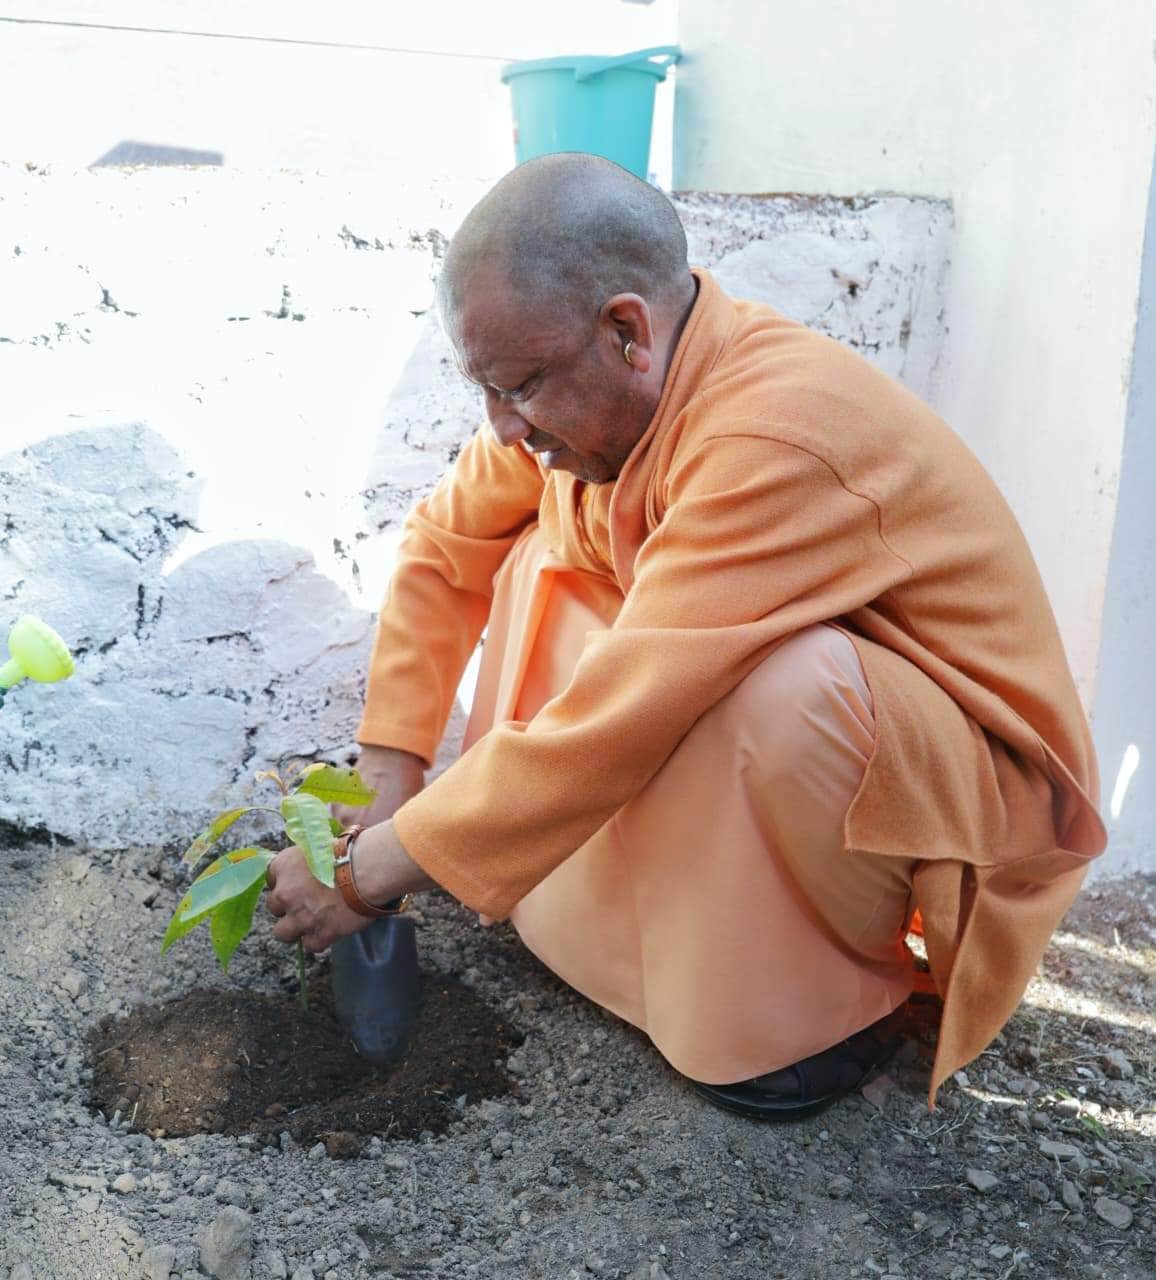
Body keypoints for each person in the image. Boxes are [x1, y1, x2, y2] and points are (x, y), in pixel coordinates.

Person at [265, 153, 1106, 1120]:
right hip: (778, 707)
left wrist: (367, 877)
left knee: (770, 683)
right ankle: (584, 934)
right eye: (485, 389)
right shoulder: (588, 409)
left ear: (627, 331)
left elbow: (623, 716)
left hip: (960, 778)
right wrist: (389, 776)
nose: (501, 429)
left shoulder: (772, 436)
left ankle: (813, 1017)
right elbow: (446, 544)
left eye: (521, 388)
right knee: (548, 549)